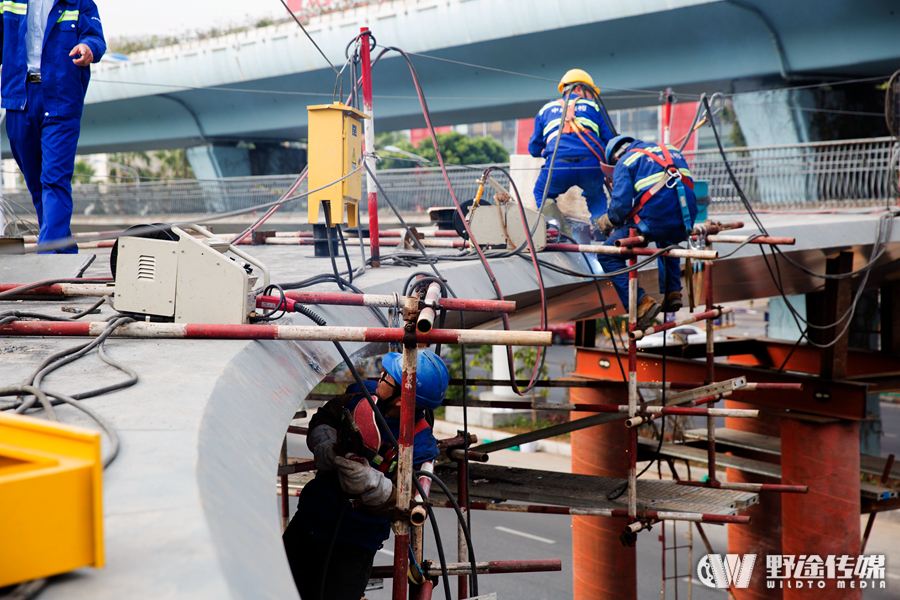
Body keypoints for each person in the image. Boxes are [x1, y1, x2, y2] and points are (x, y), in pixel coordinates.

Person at [282, 349, 449, 600]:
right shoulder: (361, 395)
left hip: (353, 544)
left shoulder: (421, 446)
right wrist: (326, 444)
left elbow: (410, 508)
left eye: (387, 377)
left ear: (402, 399)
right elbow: (326, 415)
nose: (380, 376)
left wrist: (373, 485)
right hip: (309, 521)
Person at [1, 0, 106, 253]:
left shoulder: (79, 2)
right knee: (37, 183)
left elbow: (96, 39)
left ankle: (47, 257)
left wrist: (88, 47)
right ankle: (63, 252)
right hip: (20, 97)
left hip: (61, 97)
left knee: (54, 179)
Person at [594, 135, 698, 330]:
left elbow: (619, 209)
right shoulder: (671, 151)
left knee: (607, 254)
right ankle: (673, 292)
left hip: (655, 224)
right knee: (667, 239)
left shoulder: (626, 161)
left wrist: (607, 222)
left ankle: (641, 303)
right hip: (685, 222)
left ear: (615, 160)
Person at [528, 69, 616, 233]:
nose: (591, 97)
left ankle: (559, 230)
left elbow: (533, 148)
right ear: (578, 89)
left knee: (542, 192)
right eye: (590, 92)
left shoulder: (546, 109)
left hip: (558, 165)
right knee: (596, 195)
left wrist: (547, 150)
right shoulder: (594, 106)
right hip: (591, 165)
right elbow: (610, 139)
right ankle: (601, 230)